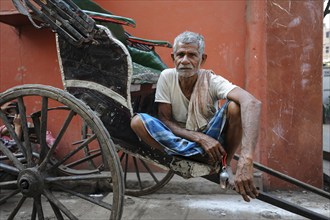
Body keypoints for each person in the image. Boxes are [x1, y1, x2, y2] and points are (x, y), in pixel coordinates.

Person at [130, 31, 261, 202]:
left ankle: (224, 164)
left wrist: (246, 159)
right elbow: (165, 119)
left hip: (212, 140)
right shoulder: (167, 76)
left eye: (192, 55)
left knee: (235, 107)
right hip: (178, 139)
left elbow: (252, 103)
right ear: (173, 58)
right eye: (180, 55)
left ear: (202, 59)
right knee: (137, 122)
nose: (185, 60)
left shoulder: (212, 80)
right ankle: (180, 159)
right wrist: (199, 139)